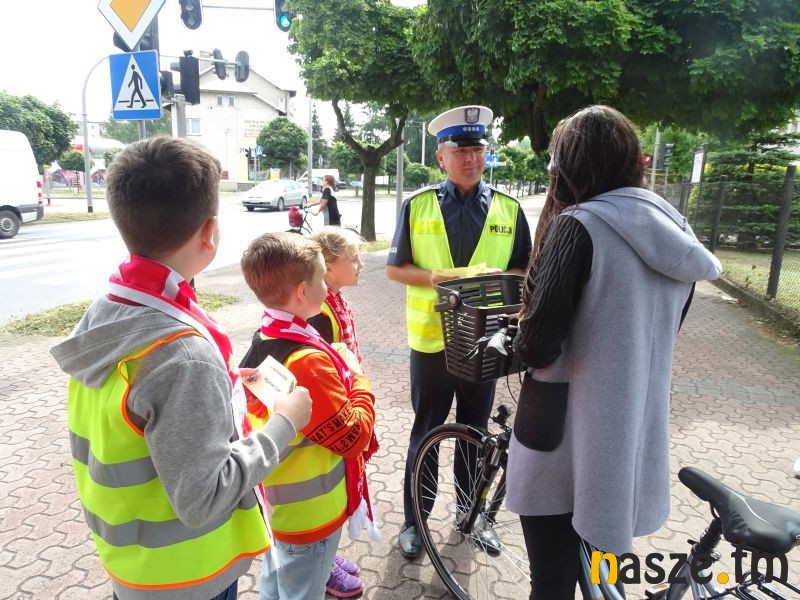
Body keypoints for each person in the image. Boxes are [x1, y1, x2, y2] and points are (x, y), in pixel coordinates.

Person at [49, 136, 313, 600]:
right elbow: (203, 497)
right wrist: (284, 425)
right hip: (188, 577)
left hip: (137, 564)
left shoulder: (112, 310)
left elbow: (142, 412)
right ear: (210, 233)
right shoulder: (183, 356)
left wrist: (220, 388)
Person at [507, 105, 722, 600]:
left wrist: (518, 337)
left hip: (561, 435)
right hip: (628, 437)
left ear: (570, 166)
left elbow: (537, 344)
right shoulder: (673, 225)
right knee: (603, 578)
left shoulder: (580, 224)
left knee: (552, 583)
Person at [385, 105, 533, 559]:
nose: (471, 158)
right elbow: (395, 268)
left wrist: (501, 285)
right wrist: (433, 277)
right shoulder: (418, 205)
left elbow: (522, 269)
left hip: (484, 341)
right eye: (460, 149)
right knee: (427, 432)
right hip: (431, 342)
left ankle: (471, 517)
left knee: (476, 434)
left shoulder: (509, 209)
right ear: (440, 156)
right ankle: (415, 521)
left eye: (478, 149)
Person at [239, 232, 377, 600]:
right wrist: (358, 378)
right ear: (303, 291)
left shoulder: (266, 336)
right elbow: (353, 438)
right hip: (310, 517)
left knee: (276, 582)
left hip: (278, 505)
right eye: (321, 278)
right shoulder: (309, 361)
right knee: (302, 591)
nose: (326, 286)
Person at [308, 226, 372, 597]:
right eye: (353, 258)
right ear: (328, 265)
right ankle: (320, 563)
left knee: (338, 488)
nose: (361, 265)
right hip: (331, 419)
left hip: (343, 406)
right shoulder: (319, 312)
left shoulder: (336, 299)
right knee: (326, 493)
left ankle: (327, 554)